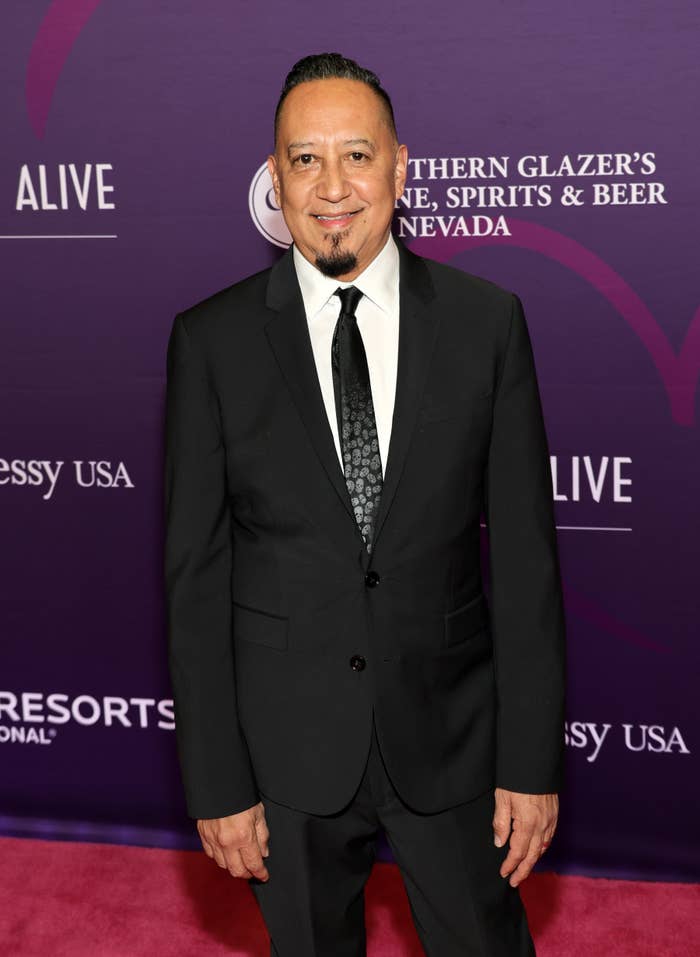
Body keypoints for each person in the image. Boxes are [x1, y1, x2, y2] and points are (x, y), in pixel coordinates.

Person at [164, 52, 567, 957]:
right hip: (285, 753)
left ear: (401, 166)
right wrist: (217, 781)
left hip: (454, 737)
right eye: (304, 160)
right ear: (277, 178)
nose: (332, 186)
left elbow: (530, 565)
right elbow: (194, 577)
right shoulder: (212, 342)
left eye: (357, 154)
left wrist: (531, 762)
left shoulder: (485, 322)